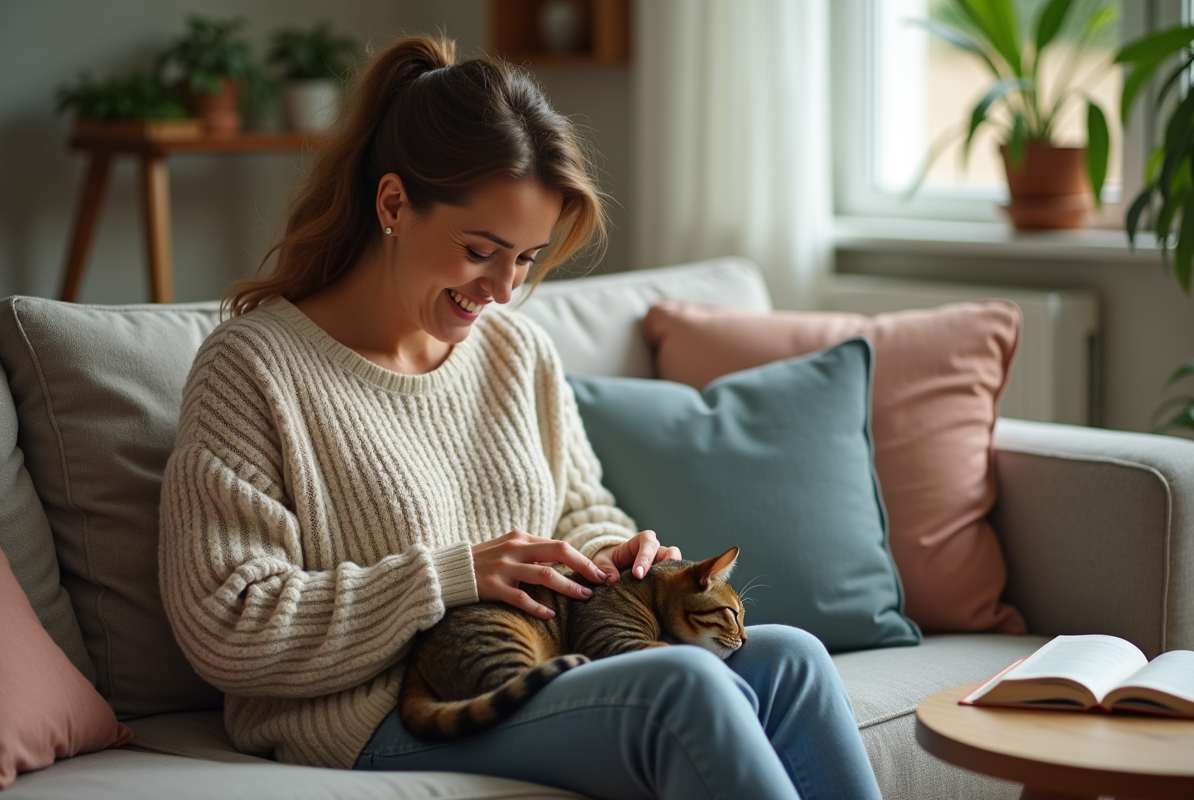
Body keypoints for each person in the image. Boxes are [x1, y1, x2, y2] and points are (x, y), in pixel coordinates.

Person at [159, 33, 882, 800]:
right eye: (480, 251)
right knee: (685, 688)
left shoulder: (517, 352)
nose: (502, 288)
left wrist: (615, 556)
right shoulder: (253, 370)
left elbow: (578, 508)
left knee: (793, 659)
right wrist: (453, 575)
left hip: (544, 659)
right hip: (385, 715)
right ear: (394, 204)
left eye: (527, 259)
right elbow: (227, 625)